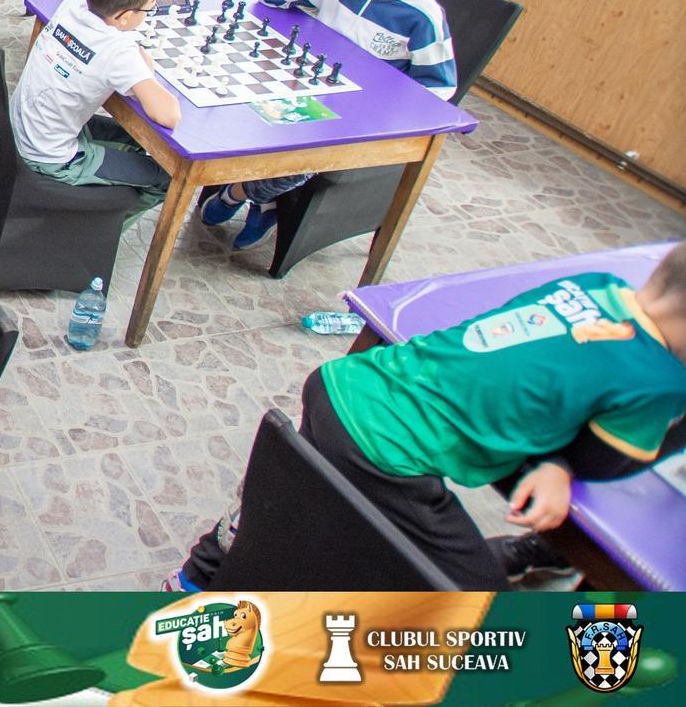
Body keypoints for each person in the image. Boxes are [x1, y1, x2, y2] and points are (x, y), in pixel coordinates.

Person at [170, 242, 686, 592]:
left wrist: (556, 458)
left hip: (349, 383)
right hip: (386, 453)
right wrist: (566, 463)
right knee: (479, 595)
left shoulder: (594, 283)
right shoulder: (659, 377)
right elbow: (604, 461)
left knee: (304, 485)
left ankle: (210, 561)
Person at [200, 0, 456, 249]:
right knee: (237, 113)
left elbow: (440, 88)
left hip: (355, 117)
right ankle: (266, 201)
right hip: (304, 84)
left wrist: (382, 108)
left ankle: (237, 194)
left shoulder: (421, 15)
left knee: (300, 160)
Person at [10, 0, 179, 210]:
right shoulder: (117, 51)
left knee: (138, 140)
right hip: (50, 158)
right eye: (147, 10)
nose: (147, 16)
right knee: (166, 178)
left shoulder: (72, 6)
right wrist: (147, 72)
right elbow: (168, 115)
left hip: (22, 130)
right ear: (124, 16)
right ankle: (101, 227)